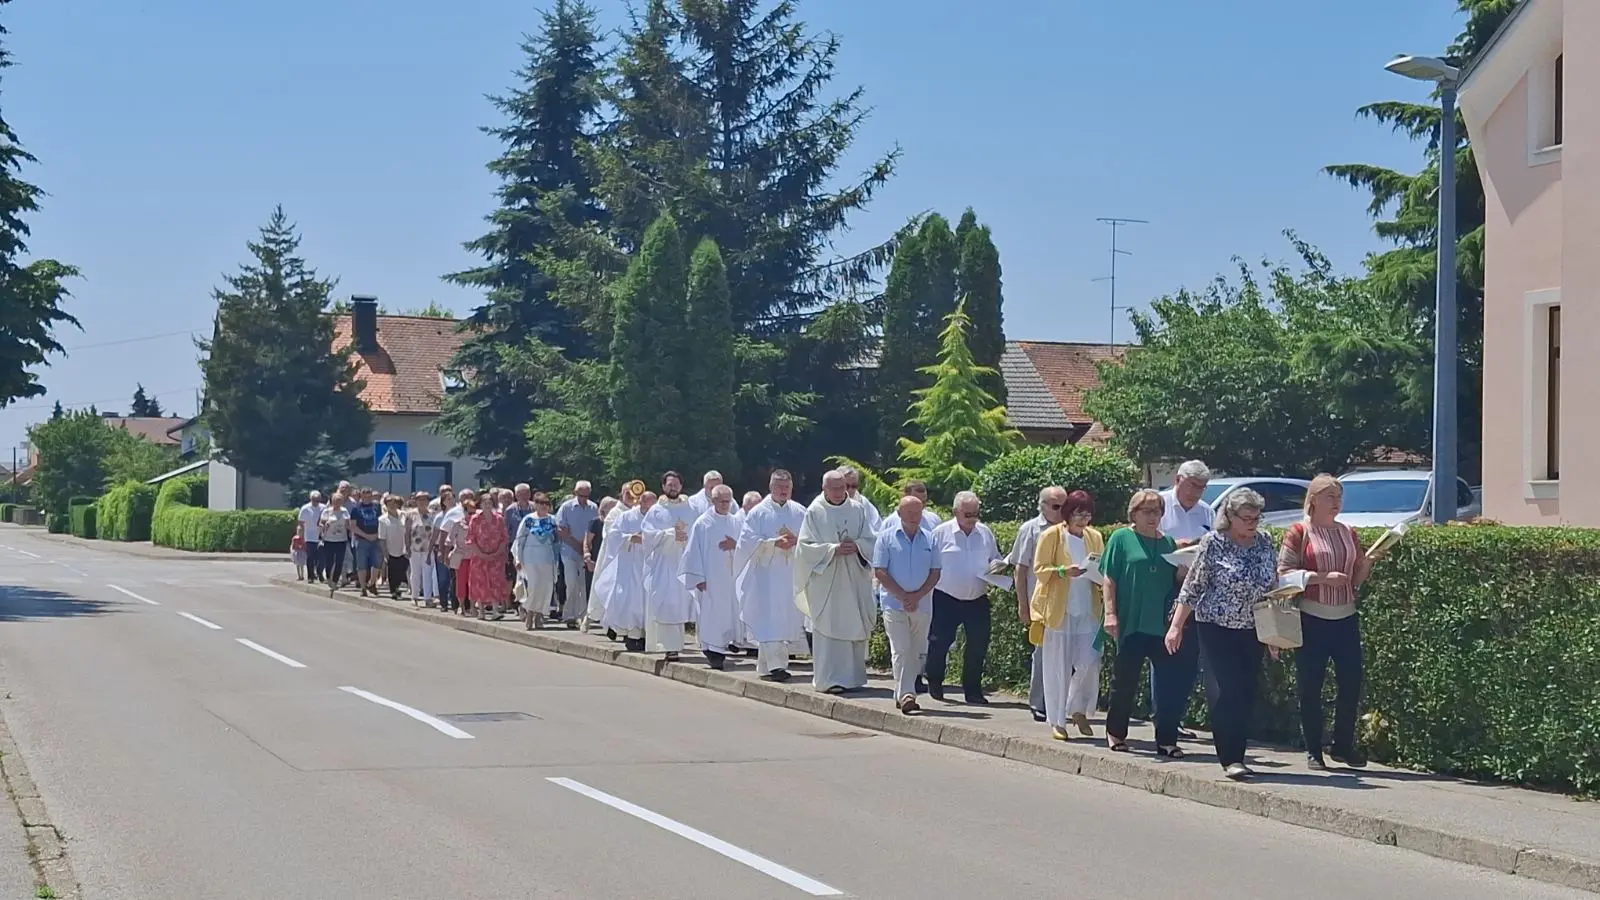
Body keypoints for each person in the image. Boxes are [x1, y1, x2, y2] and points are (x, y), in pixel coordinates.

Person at [1167, 488, 1278, 780]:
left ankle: (1238, 753)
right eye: (1246, 518)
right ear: (1230, 517)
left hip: (1252, 628)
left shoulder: (1265, 542)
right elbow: (1193, 586)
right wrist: (1176, 626)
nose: (1253, 523)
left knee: (1245, 692)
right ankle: (1230, 757)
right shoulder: (1213, 544)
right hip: (1215, 626)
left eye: (1256, 517)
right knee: (1224, 690)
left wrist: (1274, 635)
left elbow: (1273, 588)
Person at [1278, 474, 1372, 769]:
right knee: (1311, 685)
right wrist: (1321, 578)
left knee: (1351, 682)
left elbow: (1354, 580)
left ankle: (1342, 745)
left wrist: (1365, 567)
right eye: (1330, 496)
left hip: (1345, 616)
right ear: (1313, 500)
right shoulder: (1298, 532)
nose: (1336, 502)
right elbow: (1283, 574)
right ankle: (1313, 749)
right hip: (1312, 616)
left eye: (1339, 497)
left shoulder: (1348, 532)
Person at [1100, 489, 1185, 757]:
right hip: (1132, 621)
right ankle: (1116, 732)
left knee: (1170, 683)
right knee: (1125, 681)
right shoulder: (1121, 538)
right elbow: (1109, 578)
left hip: (1162, 624)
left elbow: (1177, 581)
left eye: (1157, 511)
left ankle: (1167, 739)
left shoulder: (1168, 542)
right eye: (1146, 511)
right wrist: (1110, 613)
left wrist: (1183, 571)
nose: (1153, 516)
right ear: (1133, 513)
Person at [1030, 490, 1105, 741]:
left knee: (1091, 661)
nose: (1083, 519)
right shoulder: (1052, 535)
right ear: (1067, 514)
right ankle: (1057, 720)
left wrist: (1098, 577)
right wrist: (1063, 570)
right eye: (1078, 513)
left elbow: (1101, 568)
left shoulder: (1094, 537)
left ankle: (1076, 707)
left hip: (1087, 607)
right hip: (1058, 609)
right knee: (1057, 667)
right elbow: (1040, 571)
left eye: (1087, 514)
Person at [794, 470, 878, 693]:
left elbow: (871, 539)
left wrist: (858, 546)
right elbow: (804, 548)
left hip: (852, 577)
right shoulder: (814, 511)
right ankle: (829, 679)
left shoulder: (857, 508)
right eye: (835, 488)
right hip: (827, 580)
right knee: (829, 628)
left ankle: (852, 679)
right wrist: (832, 550)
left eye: (843, 488)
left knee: (852, 625)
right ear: (824, 488)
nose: (841, 493)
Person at [926, 491, 1003, 703]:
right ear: (955, 512)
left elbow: (994, 557)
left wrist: (997, 566)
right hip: (946, 597)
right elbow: (929, 563)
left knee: (978, 644)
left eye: (976, 514)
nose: (973, 519)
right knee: (939, 643)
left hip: (977, 597)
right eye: (968, 514)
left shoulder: (985, 533)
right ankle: (934, 680)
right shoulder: (940, 533)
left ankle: (973, 690)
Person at [733, 470, 808, 681]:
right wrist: (773, 543)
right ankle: (777, 667)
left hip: (790, 575)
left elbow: (810, 539)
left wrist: (798, 541)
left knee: (782, 619)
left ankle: (766, 666)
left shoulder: (800, 512)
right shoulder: (758, 513)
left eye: (787, 487)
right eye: (779, 487)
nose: (783, 491)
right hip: (766, 577)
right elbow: (746, 542)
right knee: (769, 619)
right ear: (771, 487)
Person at [1158, 458, 1213, 741]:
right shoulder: (1160, 505)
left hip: (1195, 589)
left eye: (1202, 487)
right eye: (1193, 486)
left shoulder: (1207, 512)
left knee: (1189, 657)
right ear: (1178, 480)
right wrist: (1174, 548)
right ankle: (1163, 717)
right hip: (1164, 584)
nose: (1197, 492)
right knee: (1164, 654)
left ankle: (1176, 715)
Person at [874, 495, 941, 714]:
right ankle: (907, 695)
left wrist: (917, 596)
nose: (914, 517)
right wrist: (903, 596)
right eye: (910, 513)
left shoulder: (931, 539)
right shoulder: (885, 538)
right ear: (900, 514)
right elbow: (880, 571)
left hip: (922, 604)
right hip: (893, 604)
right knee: (901, 649)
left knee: (917, 651)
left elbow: (935, 572)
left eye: (918, 513)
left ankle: (901, 691)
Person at [1010, 486, 1067, 721]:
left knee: (1065, 655)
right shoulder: (1030, 529)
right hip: (1041, 603)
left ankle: (1060, 703)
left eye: (1065, 505)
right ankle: (1038, 702)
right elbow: (1020, 569)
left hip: (1066, 601)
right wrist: (1023, 605)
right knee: (1042, 654)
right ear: (1042, 506)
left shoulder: (1070, 529)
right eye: (1056, 506)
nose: (1062, 511)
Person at [680, 485, 743, 669]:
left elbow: (747, 547)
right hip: (711, 578)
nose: (725, 505)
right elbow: (693, 552)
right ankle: (712, 651)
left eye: (728, 501)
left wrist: (735, 545)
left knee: (728, 613)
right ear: (713, 501)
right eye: (722, 501)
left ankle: (720, 647)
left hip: (731, 578)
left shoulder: (736, 522)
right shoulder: (703, 523)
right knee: (711, 614)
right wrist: (698, 577)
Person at [642, 471, 699, 659]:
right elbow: (647, 536)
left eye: (676, 484)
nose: (672, 487)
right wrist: (669, 534)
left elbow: (698, 532)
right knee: (667, 604)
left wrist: (686, 537)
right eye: (669, 484)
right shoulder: (656, 510)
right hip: (664, 564)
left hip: (684, 562)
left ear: (681, 486)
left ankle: (679, 644)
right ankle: (670, 648)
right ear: (663, 487)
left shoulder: (690, 509)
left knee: (681, 604)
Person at [601, 490, 653, 651]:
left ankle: (645, 636)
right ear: (640, 501)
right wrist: (631, 538)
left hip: (650, 566)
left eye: (651, 502)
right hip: (630, 566)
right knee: (631, 601)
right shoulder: (626, 516)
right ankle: (631, 636)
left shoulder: (658, 517)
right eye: (644, 500)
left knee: (647, 602)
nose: (647, 504)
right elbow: (613, 535)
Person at [513, 491, 561, 630]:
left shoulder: (552, 520)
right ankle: (529, 613)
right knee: (533, 586)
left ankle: (539, 614)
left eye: (547, 504)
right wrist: (518, 558)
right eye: (541, 503)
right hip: (531, 556)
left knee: (545, 587)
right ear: (536, 505)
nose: (544, 506)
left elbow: (556, 541)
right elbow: (519, 540)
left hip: (547, 556)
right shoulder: (529, 519)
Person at [557, 481, 600, 629]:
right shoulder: (566, 507)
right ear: (575, 493)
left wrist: (586, 548)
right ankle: (569, 615)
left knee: (583, 584)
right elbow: (561, 530)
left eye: (586, 495)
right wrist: (577, 545)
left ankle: (582, 616)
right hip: (569, 550)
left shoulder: (593, 507)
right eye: (581, 495)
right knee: (571, 582)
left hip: (586, 552)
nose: (583, 498)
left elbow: (595, 529)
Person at [318, 490, 352, 597]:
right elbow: (320, 523)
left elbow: (348, 523)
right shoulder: (327, 511)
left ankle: (335, 580)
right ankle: (329, 577)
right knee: (329, 561)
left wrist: (348, 525)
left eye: (339, 501)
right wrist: (324, 525)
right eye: (335, 500)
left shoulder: (344, 511)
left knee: (339, 561)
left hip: (341, 540)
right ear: (332, 501)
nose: (337, 503)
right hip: (329, 540)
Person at [406, 492, 438, 608]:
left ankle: (428, 598)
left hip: (428, 549)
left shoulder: (433, 515)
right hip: (414, 548)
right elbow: (407, 532)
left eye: (424, 500)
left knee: (428, 573)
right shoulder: (410, 515)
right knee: (415, 573)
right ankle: (414, 597)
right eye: (419, 500)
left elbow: (435, 532)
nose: (422, 502)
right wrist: (407, 546)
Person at [350, 487, 383, 597]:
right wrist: (365, 535)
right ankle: (363, 587)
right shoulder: (356, 509)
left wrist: (377, 534)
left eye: (369, 495)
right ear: (361, 496)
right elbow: (353, 526)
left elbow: (382, 521)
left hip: (376, 538)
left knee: (377, 562)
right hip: (362, 539)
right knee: (361, 564)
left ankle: (372, 583)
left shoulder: (377, 507)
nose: (367, 497)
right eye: (365, 495)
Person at [378, 494, 410, 600]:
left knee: (402, 569)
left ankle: (400, 587)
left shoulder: (404, 515)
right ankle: (394, 591)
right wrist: (385, 552)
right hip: (391, 548)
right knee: (393, 571)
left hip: (404, 548)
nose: (392, 505)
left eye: (394, 503)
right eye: (389, 504)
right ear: (386, 505)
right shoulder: (382, 520)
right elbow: (382, 538)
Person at [433, 486, 459, 612]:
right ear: (442, 502)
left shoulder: (459, 514)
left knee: (455, 578)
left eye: (452, 498)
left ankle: (455, 604)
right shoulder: (439, 517)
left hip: (457, 548)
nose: (450, 501)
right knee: (443, 577)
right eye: (447, 499)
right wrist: (438, 551)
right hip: (442, 548)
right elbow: (436, 535)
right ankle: (444, 603)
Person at [836, 465, 882, 531]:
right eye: (847, 486)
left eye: (854, 486)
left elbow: (878, 527)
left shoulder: (863, 502)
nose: (850, 490)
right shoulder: (824, 506)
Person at [295, 491, 325, 583]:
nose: (316, 502)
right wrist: (301, 536)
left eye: (318, 500)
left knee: (322, 556)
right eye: (314, 500)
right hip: (309, 536)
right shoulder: (305, 508)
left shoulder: (323, 508)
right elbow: (300, 523)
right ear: (311, 499)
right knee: (310, 557)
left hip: (321, 535)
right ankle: (311, 576)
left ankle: (319, 571)